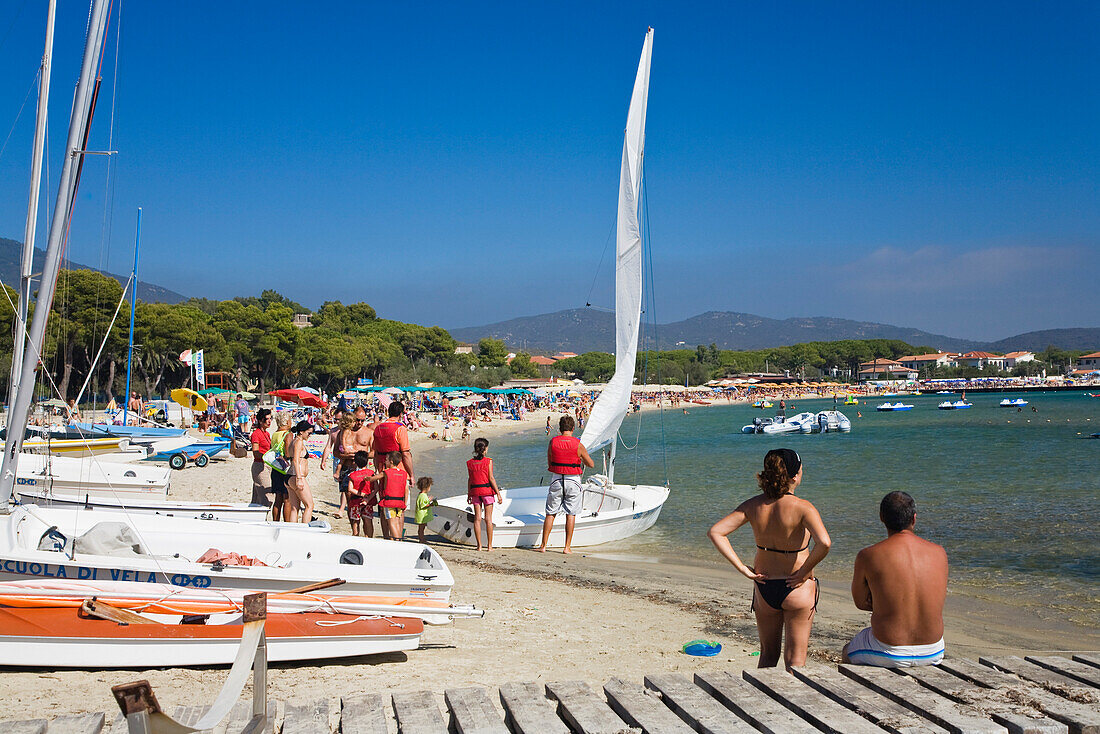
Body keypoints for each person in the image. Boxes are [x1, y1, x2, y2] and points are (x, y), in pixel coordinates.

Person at [708, 448, 831, 671]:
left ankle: (762, 702)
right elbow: (824, 543)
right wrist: (805, 571)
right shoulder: (804, 508)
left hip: (764, 587)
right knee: (795, 664)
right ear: (795, 476)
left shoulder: (753, 505)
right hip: (797, 587)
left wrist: (742, 569)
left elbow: (716, 532)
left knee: (767, 657)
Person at [842, 491, 948, 668]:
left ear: (882, 518)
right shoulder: (940, 553)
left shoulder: (868, 555)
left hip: (889, 651)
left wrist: (886, 602)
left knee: (847, 652)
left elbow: (860, 603)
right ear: (914, 519)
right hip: (933, 651)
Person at [537, 415, 594, 554]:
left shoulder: (553, 442)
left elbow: (550, 462)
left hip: (556, 479)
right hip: (573, 480)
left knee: (550, 513)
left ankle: (543, 546)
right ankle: (567, 547)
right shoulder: (578, 444)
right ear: (573, 428)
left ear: (560, 428)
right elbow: (591, 464)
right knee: (571, 514)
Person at [371, 402, 413, 538]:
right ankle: (398, 538)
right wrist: (411, 474)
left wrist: (378, 469)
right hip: (399, 471)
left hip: (383, 469)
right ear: (401, 414)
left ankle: (386, 536)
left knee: (385, 504)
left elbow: (376, 453)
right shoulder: (400, 429)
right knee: (399, 506)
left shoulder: (378, 428)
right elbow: (405, 453)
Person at [466, 437, 503, 551]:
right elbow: (491, 478)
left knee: (477, 519)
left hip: (475, 492)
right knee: (488, 519)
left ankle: (479, 546)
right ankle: (490, 546)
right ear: (485, 449)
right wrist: (498, 493)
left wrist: (469, 494)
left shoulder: (470, 463)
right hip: (487, 492)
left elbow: (470, 479)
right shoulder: (488, 461)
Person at [366, 451, 409, 540]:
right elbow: (406, 490)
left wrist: (366, 478)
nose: (385, 462)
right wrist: (405, 503)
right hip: (400, 502)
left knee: (391, 522)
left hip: (389, 502)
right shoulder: (403, 473)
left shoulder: (386, 472)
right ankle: (399, 539)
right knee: (396, 521)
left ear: (391, 461)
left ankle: (396, 540)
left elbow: (373, 478)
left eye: (386, 460)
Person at [286, 420, 315, 523]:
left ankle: (293, 530)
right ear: (301, 432)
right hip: (296, 476)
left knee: (295, 508)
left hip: (289, 476)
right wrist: (299, 478)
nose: (310, 435)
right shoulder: (298, 442)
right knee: (309, 505)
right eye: (309, 433)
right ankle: (305, 531)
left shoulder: (293, 441)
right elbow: (295, 460)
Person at [268, 412, 293, 521]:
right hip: (285, 468)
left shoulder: (274, 434)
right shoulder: (287, 434)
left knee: (278, 498)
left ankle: (275, 521)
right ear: (287, 421)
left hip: (276, 467)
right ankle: (286, 523)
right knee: (287, 499)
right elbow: (287, 453)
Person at [346, 450, 374, 537]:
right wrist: (367, 497)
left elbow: (350, 489)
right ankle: (369, 538)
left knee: (356, 521)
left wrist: (360, 494)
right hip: (368, 501)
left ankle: (355, 536)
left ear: (356, 462)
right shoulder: (371, 473)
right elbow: (375, 488)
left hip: (355, 501)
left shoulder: (353, 475)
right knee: (368, 520)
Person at [249, 409, 273, 507]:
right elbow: (255, 452)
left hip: (266, 465)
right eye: (266, 419)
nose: (269, 421)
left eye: (270, 418)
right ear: (260, 421)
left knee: (257, 498)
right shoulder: (256, 434)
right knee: (267, 498)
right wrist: (267, 456)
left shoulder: (266, 434)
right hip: (260, 465)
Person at [414, 477, 437, 543]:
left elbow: (422, 502)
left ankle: (422, 539)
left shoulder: (421, 494)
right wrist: (431, 504)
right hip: (422, 515)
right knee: (421, 528)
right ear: (427, 487)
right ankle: (422, 539)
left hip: (420, 514)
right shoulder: (423, 495)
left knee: (421, 528)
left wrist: (428, 500)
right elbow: (423, 505)